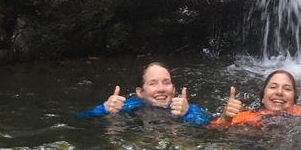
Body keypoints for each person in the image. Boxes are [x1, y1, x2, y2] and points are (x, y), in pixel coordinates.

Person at [78, 61, 211, 126]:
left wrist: (187, 113)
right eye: (153, 83)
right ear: (140, 92)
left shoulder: (186, 108)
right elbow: (82, 118)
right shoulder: (129, 105)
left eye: (166, 82)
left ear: (174, 89)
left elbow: (208, 126)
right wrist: (104, 108)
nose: (161, 89)